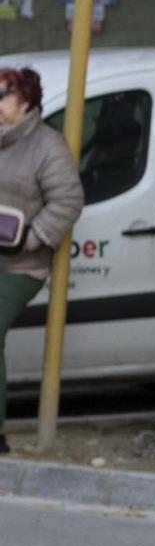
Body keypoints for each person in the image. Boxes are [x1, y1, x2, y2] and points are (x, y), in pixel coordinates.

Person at [0, 67, 85, 454]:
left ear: (26, 101)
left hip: (19, 266)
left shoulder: (47, 145)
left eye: (3, 94)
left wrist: (30, 240)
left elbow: (67, 201)